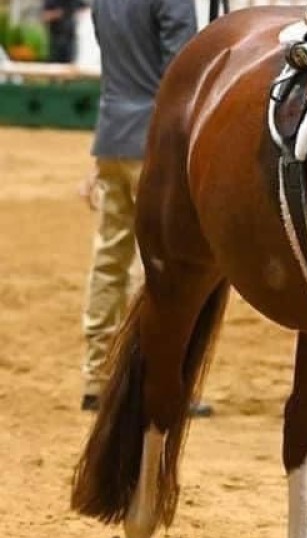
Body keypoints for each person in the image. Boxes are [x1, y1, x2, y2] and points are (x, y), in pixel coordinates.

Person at [82, 0, 212, 417]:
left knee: (108, 259)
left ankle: (96, 376)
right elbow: (186, 72)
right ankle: (155, 376)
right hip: (154, 143)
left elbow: (112, 68)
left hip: (111, 136)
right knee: (160, 267)